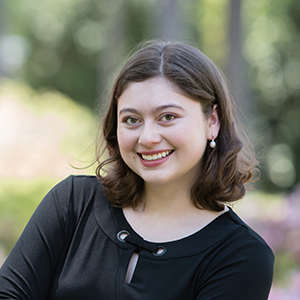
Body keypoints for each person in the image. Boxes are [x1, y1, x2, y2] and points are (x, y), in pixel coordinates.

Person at [0, 40, 274, 300]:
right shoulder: (72, 204)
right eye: (131, 119)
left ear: (212, 121)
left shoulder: (241, 255)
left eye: (167, 117)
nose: (147, 137)